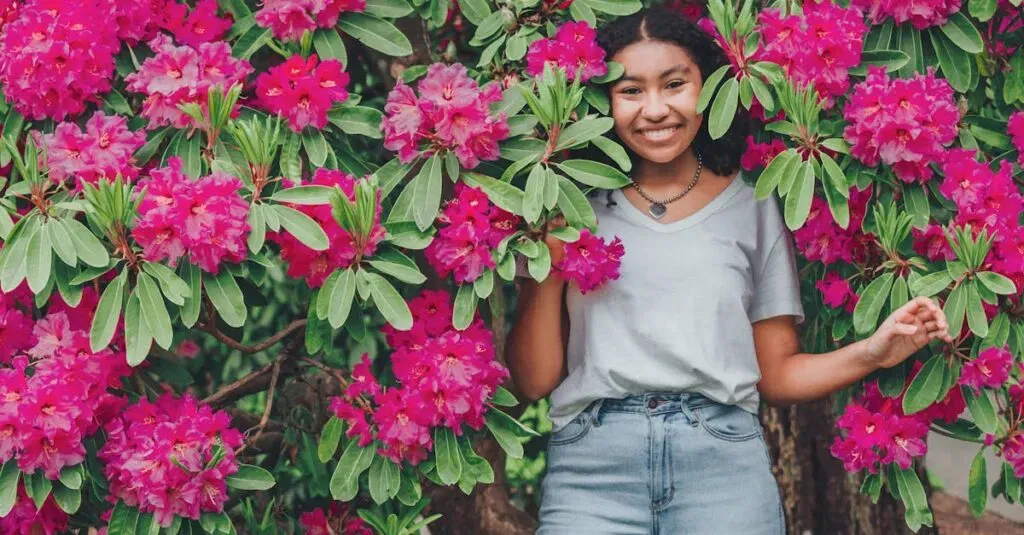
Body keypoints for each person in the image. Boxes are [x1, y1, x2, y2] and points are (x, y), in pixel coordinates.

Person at [506, 7, 953, 535]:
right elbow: (533, 380)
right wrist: (548, 262)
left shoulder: (753, 204)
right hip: (592, 469)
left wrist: (873, 352)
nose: (655, 109)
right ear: (603, 101)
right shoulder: (569, 203)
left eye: (675, 84)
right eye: (630, 91)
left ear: (711, 89)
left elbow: (777, 374)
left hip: (721, 467)